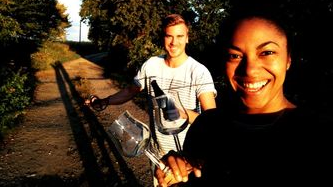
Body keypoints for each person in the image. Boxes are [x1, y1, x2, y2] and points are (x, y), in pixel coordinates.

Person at [155, 12, 333, 186]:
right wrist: (174, 174)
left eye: (267, 52)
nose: (249, 70)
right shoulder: (207, 127)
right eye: (235, 56)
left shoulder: (317, 134)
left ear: (288, 59)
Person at [86, 14, 217, 181]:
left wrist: (182, 113)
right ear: (163, 38)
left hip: (187, 157)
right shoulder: (151, 65)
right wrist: (104, 101)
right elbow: (130, 91)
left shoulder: (198, 72)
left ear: (187, 38)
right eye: (169, 36)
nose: (173, 42)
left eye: (179, 36)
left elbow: (212, 122)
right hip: (158, 154)